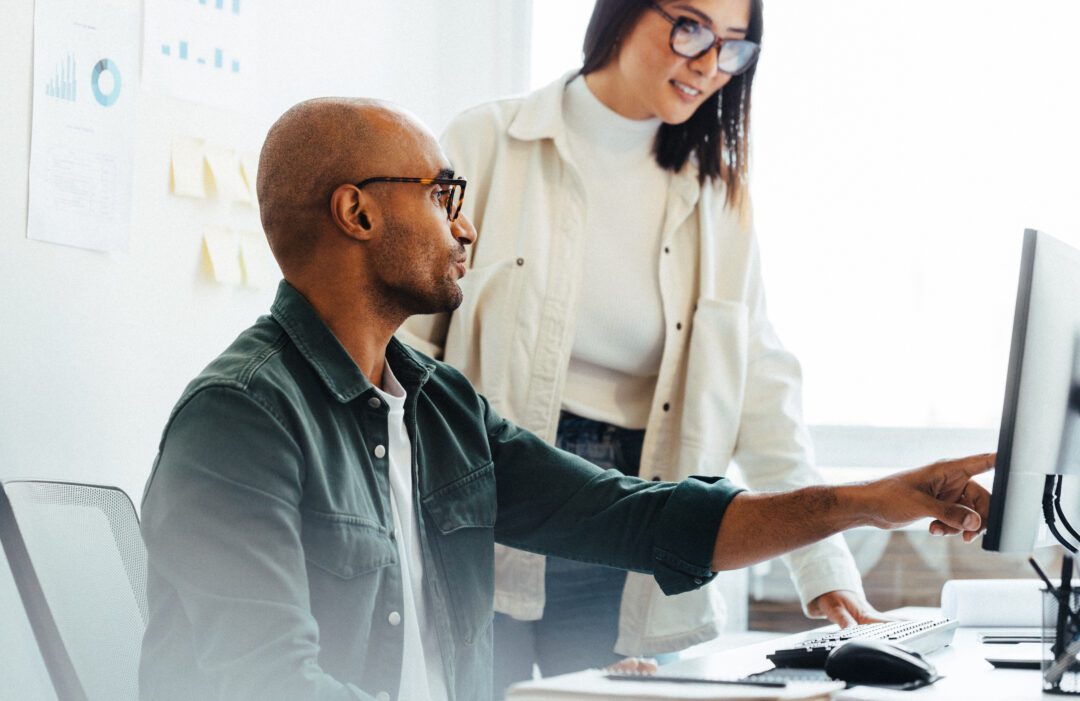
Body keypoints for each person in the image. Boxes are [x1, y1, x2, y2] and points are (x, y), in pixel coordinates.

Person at [139, 96, 994, 701]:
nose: (466, 225)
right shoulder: (240, 419)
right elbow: (267, 682)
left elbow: (638, 518)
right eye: (442, 195)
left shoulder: (440, 410)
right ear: (357, 213)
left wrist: (870, 501)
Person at [396, 0, 896, 693]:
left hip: (630, 516)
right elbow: (401, 346)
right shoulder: (484, 142)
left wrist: (825, 570)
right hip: (484, 493)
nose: (709, 65)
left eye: (733, 47)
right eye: (691, 28)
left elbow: (762, 394)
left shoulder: (718, 197)